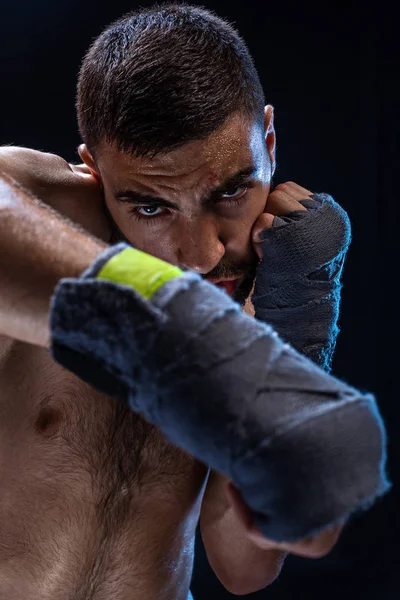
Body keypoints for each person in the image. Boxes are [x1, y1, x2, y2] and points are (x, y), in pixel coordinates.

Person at [0, 3, 388, 600]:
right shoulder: (45, 212)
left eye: (233, 191)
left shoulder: (273, 278)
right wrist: (180, 327)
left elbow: (243, 568)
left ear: (270, 141)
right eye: (151, 208)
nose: (203, 253)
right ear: (93, 173)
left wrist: (300, 316)